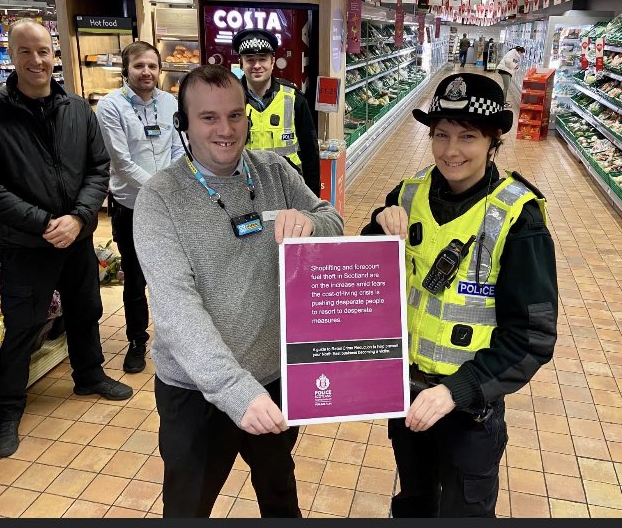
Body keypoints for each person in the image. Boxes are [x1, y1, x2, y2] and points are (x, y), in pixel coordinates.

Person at [133, 64, 343, 517]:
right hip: (196, 391)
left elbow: (332, 218)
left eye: (235, 115)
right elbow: (175, 309)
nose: (225, 129)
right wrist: (234, 389)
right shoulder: (160, 199)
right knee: (189, 506)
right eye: (208, 117)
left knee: (279, 494)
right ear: (183, 124)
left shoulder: (273, 172)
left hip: (273, 378)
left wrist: (312, 222)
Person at [360, 72, 557, 518]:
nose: (451, 151)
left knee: (465, 512)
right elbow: (367, 276)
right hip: (407, 397)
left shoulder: (519, 218)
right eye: (441, 135)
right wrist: (378, 222)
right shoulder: (409, 193)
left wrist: (455, 391)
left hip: (469, 412)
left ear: (494, 142)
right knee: (414, 501)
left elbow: (532, 337)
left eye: (468, 136)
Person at [0, 19, 133, 458]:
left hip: (75, 238)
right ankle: (9, 410)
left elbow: (98, 168)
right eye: (25, 52)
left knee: (85, 310)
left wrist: (77, 217)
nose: (36, 61)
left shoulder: (76, 108)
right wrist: (42, 222)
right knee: (24, 327)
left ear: (54, 53)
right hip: (25, 244)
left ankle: (89, 375)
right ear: (13, 56)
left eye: (42, 51)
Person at [95, 41, 184, 373]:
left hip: (169, 206)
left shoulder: (170, 102)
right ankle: (137, 340)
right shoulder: (110, 106)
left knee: (172, 276)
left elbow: (178, 148)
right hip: (131, 206)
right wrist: (159, 190)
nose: (146, 72)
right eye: (139, 66)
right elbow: (121, 162)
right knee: (135, 279)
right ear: (126, 70)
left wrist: (169, 189)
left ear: (159, 70)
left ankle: (175, 340)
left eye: (152, 66)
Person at [232, 28, 320, 196]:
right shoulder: (228, 100)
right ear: (241, 63)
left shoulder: (294, 99)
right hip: (245, 190)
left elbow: (310, 153)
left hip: (288, 189)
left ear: (272, 61)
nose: (256, 65)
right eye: (250, 60)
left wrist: (313, 198)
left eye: (262, 59)